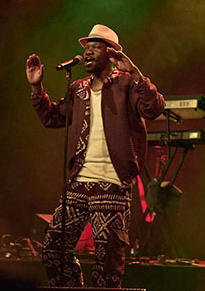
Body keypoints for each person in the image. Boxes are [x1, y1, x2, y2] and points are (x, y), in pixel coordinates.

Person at [26, 24, 165, 288]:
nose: (87, 52)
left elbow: (154, 108)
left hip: (112, 185)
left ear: (110, 53)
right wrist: (37, 88)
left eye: (95, 47)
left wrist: (135, 73)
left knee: (107, 263)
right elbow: (52, 117)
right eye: (86, 48)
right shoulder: (78, 89)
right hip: (78, 183)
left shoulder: (127, 83)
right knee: (54, 248)